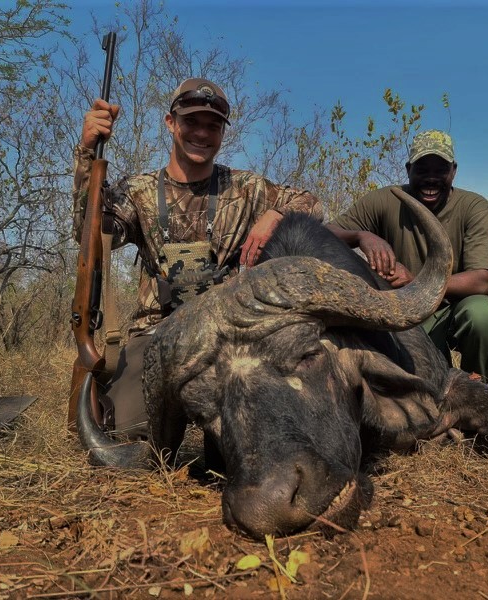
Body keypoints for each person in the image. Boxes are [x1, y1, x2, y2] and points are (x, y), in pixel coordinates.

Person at [73, 78, 322, 437]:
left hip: (229, 335)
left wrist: (276, 216)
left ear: (223, 132)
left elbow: (312, 204)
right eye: (192, 122)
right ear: (170, 122)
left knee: (255, 440)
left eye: (213, 126)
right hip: (155, 335)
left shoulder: (246, 188)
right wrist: (86, 152)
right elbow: (90, 238)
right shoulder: (138, 191)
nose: (202, 133)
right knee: (131, 443)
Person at [326, 130, 488, 378]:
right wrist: (361, 236)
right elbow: (327, 232)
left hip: (455, 308)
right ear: (409, 170)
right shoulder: (387, 199)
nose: (431, 179)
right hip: (405, 310)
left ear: (453, 171)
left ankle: (483, 389)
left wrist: (417, 283)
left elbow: (482, 280)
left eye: (440, 170)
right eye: (422, 170)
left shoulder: (473, 206)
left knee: (481, 314)